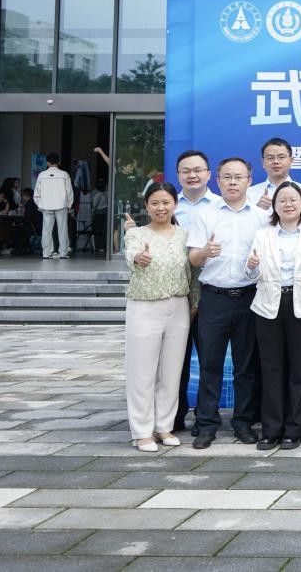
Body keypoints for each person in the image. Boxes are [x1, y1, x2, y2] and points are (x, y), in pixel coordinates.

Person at [187, 157, 270, 449]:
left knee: (245, 366)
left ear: (249, 180)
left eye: (239, 177)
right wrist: (205, 252)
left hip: (249, 298)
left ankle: (243, 422)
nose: (233, 182)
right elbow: (192, 258)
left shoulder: (262, 217)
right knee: (210, 364)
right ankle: (207, 423)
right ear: (218, 180)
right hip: (214, 298)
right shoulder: (205, 215)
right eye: (227, 177)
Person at [245, 182, 301, 451]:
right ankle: (271, 430)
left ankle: (294, 429)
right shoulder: (263, 234)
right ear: (275, 205)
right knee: (271, 369)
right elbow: (252, 274)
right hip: (268, 305)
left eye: (293, 200)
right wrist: (251, 266)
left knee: (300, 370)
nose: (288, 204)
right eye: (282, 200)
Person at [123, 183, 191, 452]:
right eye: (154, 203)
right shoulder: (136, 234)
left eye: (166, 202)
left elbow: (192, 273)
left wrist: (194, 303)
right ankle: (141, 432)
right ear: (146, 206)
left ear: (175, 204)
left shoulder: (185, 235)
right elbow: (131, 255)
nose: (161, 208)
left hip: (179, 306)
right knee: (141, 372)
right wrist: (138, 258)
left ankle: (164, 426)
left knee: (171, 372)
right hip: (145, 307)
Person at [246, 138, 301, 211]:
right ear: (263, 162)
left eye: (281, 157)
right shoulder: (249, 193)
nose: (276, 161)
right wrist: (257, 210)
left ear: (291, 161)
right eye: (270, 158)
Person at [34, 153, 73, 259]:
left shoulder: (42, 175)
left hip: (46, 206)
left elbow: (37, 193)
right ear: (59, 162)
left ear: (47, 163)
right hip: (61, 205)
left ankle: (46, 253)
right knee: (62, 229)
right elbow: (69, 192)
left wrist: (40, 204)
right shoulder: (64, 174)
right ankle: (63, 252)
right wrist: (69, 205)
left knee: (46, 230)